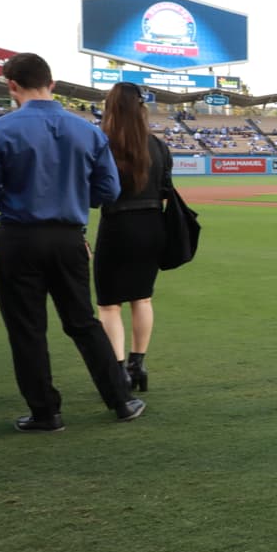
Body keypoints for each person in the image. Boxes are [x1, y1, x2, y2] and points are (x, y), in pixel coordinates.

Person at [0, 53, 146, 431]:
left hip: (17, 238)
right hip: (68, 238)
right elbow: (107, 190)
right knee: (83, 322)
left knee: (27, 329)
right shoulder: (88, 131)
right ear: (52, 84)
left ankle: (46, 412)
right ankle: (121, 400)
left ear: (11, 85)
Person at [94, 82, 173, 392]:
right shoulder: (158, 145)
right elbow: (166, 189)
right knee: (142, 298)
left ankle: (117, 374)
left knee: (109, 305)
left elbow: (97, 193)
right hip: (153, 226)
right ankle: (137, 365)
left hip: (117, 225)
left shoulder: (102, 143)